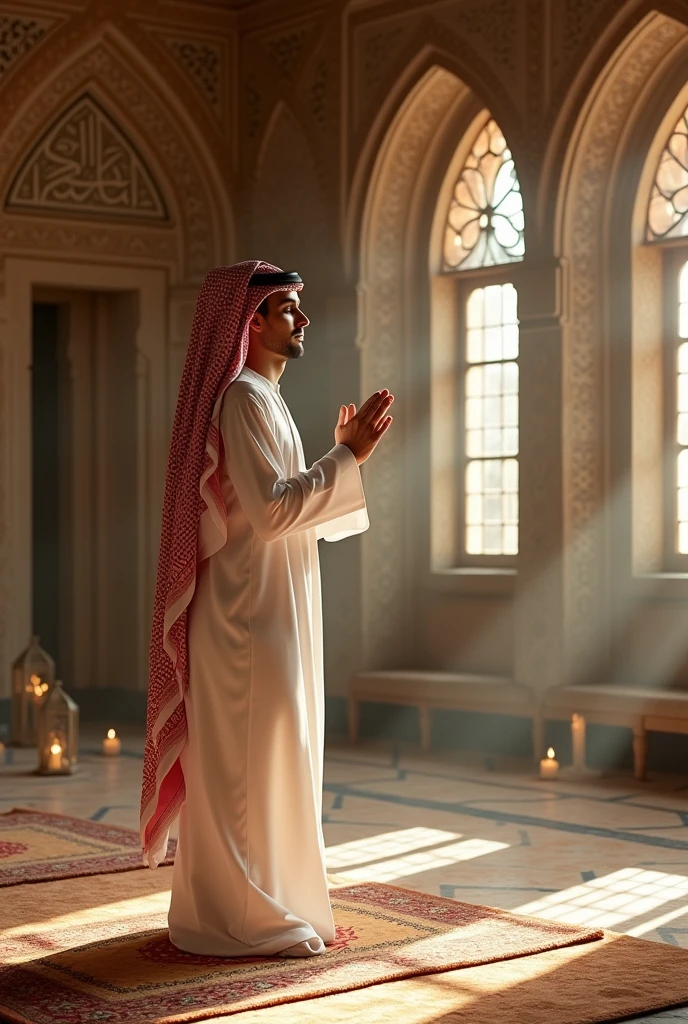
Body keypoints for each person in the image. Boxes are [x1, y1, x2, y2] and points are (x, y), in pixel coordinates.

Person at [140, 261, 393, 958]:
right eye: (287, 309)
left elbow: (279, 506)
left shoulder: (263, 397)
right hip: (245, 620)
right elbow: (276, 509)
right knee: (250, 761)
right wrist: (345, 457)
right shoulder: (243, 400)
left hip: (269, 605)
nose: (302, 320)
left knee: (273, 756)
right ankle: (246, 918)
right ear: (248, 321)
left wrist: (345, 461)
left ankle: (262, 904)